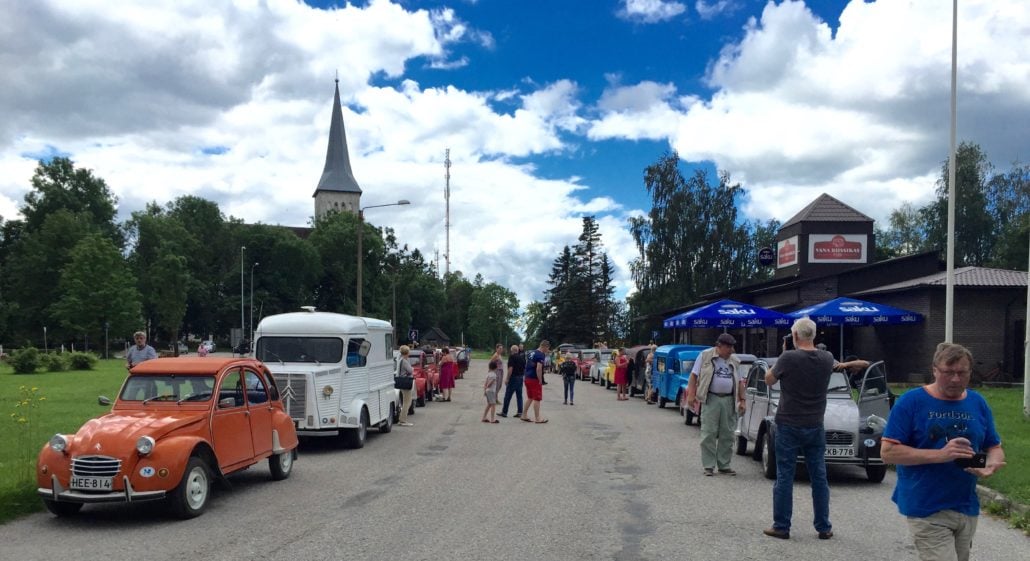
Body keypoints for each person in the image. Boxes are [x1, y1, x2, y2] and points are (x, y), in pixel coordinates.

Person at [881, 342, 1005, 561]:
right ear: (935, 371)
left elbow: (994, 447)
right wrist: (941, 455)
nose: (955, 379)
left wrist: (991, 464)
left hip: (965, 505)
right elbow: (888, 452)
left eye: (962, 373)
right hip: (926, 506)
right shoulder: (912, 402)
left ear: (970, 372)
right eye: (948, 372)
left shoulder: (977, 402)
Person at [762, 317, 834, 540]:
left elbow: (768, 380)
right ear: (814, 335)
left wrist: (783, 354)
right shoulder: (827, 358)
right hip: (815, 423)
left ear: (794, 335)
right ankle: (823, 526)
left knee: (785, 475)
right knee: (819, 476)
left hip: (789, 423)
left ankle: (781, 526)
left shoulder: (788, 357)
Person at [685, 333, 744, 476]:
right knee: (709, 432)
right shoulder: (705, 356)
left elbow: (740, 381)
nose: (731, 350)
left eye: (732, 347)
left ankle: (724, 465)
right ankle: (708, 466)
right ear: (719, 346)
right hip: (711, 398)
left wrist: (742, 400)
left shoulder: (735, 361)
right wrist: (691, 395)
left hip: (729, 400)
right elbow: (694, 375)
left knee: (727, 433)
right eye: (728, 347)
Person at [521, 340, 550, 424]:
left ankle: (524, 415)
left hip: (527, 377)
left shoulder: (531, 352)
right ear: (544, 346)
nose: (547, 350)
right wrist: (540, 380)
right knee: (537, 398)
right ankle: (537, 418)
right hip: (534, 379)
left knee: (530, 397)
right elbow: (538, 369)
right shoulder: (541, 354)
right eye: (547, 348)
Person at [500, 344, 525, 418]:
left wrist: (507, 378)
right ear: (517, 350)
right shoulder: (522, 358)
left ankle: (504, 412)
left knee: (508, 396)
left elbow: (510, 368)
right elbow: (524, 368)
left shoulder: (512, 357)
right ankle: (520, 412)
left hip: (513, 378)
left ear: (512, 350)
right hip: (520, 378)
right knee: (519, 396)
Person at [396, 345, 415, 427]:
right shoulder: (405, 361)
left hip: (402, 382)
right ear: (407, 352)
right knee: (407, 402)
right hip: (406, 382)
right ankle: (402, 420)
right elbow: (410, 370)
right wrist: (412, 369)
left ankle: (402, 419)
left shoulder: (400, 360)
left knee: (406, 401)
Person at [482, 359, 500, 423]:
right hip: (491, 391)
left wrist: (485, 390)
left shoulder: (488, 374)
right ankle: (492, 419)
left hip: (488, 391)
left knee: (489, 404)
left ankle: (484, 417)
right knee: (493, 405)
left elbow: (485, 383)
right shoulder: (494, 375)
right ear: (496, 367)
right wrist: (488, 386)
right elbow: (490, 383)